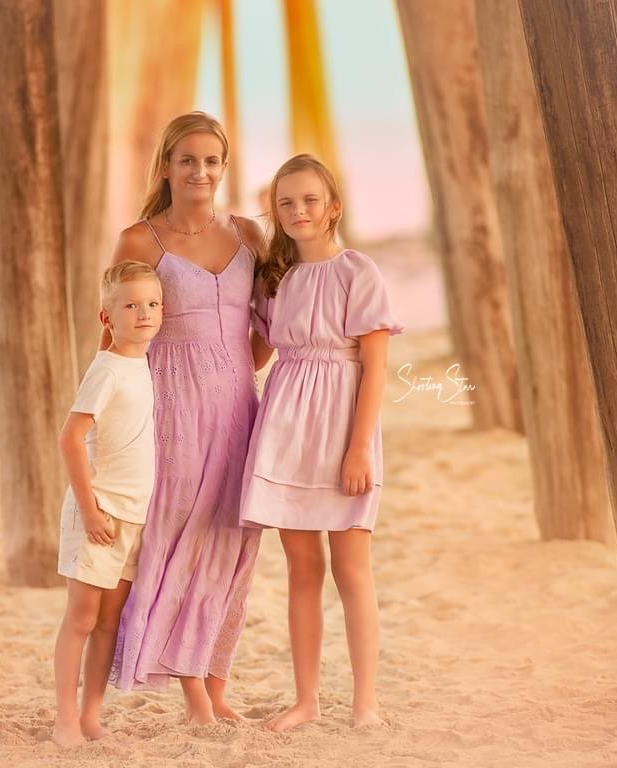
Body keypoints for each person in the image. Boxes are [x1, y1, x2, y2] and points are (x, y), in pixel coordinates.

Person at [99, 112, 267, 724]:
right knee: (178, 541)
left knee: (234, 544)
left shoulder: (250, 233)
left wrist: (234, 374)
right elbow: (114, 334)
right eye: (187, 160)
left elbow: (269, 325)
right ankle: (195, 695)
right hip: (170, 409)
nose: (200, 171)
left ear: (225, 167)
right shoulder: (142, 241)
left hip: (239, 408)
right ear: (167, 166)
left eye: (212, 161)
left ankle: (217, 688)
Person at [241, 154, 405, 732]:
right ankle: (306, 701)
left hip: (341, 426)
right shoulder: (275, 279)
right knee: (301, 569)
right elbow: (257, 352)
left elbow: (376, 367)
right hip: (285, 425)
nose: (297, 210)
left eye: (309, 199)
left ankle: (366, 704)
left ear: (333, 207)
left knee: (352, 569)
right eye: (286, 202)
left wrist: (360, 447)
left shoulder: (358, 272)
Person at [52, 261, 163, 745]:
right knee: (81, 618)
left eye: (153, 304)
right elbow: (70, 439)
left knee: (108, 624)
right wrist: (91, 508)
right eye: (131, 305)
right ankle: (64, 720)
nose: (144, 313)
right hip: (99, 514)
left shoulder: (140, 362)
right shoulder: (108, 371)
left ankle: (92, 716)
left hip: (133, 518)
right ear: (107, 317)